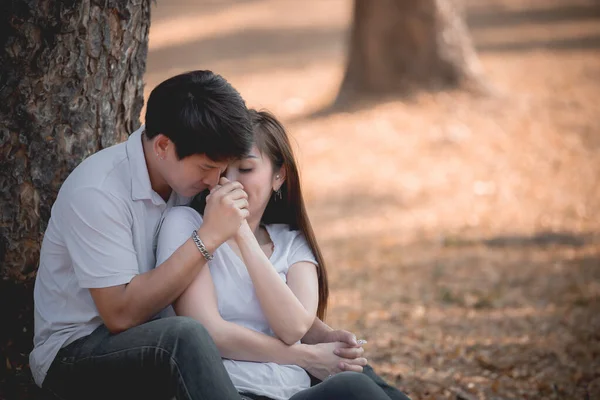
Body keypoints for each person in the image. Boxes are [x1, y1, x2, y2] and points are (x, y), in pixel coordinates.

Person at [156, 109, 411, 400]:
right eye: (221, 169)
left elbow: (293, 327)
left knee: (370, 385)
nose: (229, 182)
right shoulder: (186, 226)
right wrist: (307, 355)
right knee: (356, 389)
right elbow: (206, 332)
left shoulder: (291, 243)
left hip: (294, 390)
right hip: (232, 389)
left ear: (279, 176)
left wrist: (242, 234)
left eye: (246, 169)